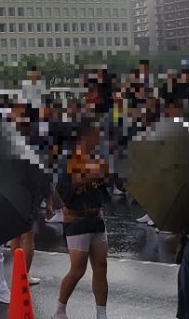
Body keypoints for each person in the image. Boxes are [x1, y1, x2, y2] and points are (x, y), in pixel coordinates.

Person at [54, 121, 110, 319]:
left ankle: (101, 313)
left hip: (96, 218)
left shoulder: (97, 157)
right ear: (85, 137)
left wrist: (109, 174)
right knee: (78, 270)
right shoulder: (68, 158)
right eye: (96, 135)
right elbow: (66, 189)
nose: (98, 139)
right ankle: (59, 310)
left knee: (101, 266)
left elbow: (106, 183)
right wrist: (93, 174)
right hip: (76, 221)